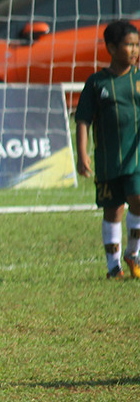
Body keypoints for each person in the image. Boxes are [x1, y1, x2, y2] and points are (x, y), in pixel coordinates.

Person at [75, 19, 140, 279]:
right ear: (111, 48)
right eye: (129, 45)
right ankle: (113, 267)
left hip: (136, 157)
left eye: (137, 45)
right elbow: (83, 119)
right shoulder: (96, 83)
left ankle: (133, 252)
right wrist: (82, 154)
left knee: (138, 200)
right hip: (108, 159)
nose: (134, 50)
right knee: (112, 210)